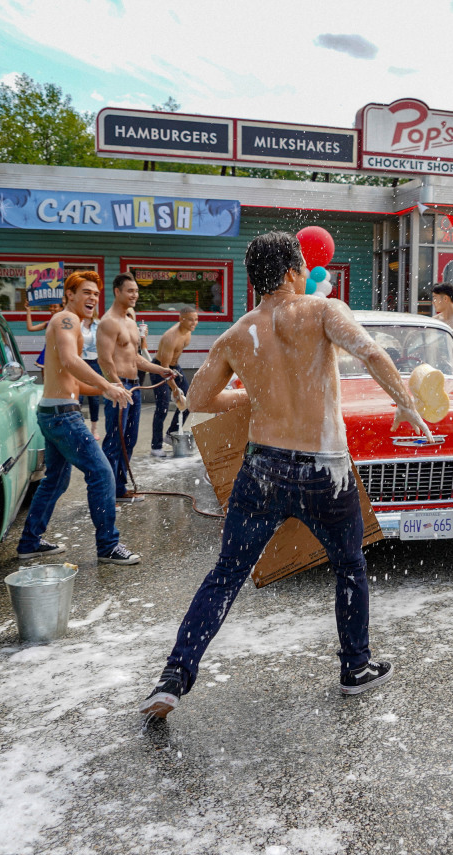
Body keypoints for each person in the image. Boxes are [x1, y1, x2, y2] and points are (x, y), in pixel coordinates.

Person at [140, 231, 432, 719]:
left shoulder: (237, 334)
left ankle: (174, 676)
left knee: (227, 573)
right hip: (325, 471)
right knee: (349, 567)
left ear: (255, 281)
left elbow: (197, 401)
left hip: (263, 469)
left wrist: (254, 396)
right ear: (296, 271)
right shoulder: (321, 310)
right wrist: (405, 404)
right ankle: (355, 667)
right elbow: (373, 354)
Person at [16, 271, 141, 565]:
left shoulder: (70, 324)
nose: (93, 299)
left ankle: (29, 542)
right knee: (101, 474)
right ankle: (108, 546)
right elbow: (72, 361)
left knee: (55, 482)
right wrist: (107, 384)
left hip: (56, 410)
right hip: (62, 415)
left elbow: (70, 378)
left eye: (96, 294)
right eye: (86, 292)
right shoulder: (65, 320)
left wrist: (106, 392)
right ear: (69, 295)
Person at [98, 272, 175, 503]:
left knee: (129, 440)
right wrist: (117, 387)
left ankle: (119, 488)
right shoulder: (108, 322)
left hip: (133, 388)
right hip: (119, 388)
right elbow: (104, 360)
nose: (135, 295)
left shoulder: (131, 323)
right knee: (114, 441)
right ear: (117, 292)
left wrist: (161, 370)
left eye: (137, 291)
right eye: (130, 291)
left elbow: (137, 360)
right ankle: (107, 491)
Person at [150, 305, 199, 457]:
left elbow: (173, 363)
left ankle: (171, 433)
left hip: (174, 367)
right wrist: (175, 388)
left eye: (196, 319)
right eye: (190, 320)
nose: (194, 323)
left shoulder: (188, 333)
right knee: (162, 407)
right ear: (181, 319)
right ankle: (156, 446)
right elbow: (164, 368)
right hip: (160, 369)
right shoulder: (170, 337)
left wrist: (178, 385)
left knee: (190, 400)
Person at [80, 309, 102, 437]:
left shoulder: (98, 324)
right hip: (81, 361)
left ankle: (94, 428)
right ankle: (81, 427)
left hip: (95, 361)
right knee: (79, 396)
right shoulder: (77, 323)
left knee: (94, 397)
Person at [25, 301, 63, 369]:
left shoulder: (66, 324)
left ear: (61, 308)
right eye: (50, 306)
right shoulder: (48, 323)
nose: (52, 309)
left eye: (55, 306)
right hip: (47, 354)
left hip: (60, 354)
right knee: (45, 379)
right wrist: (28, 310)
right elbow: (30, 328)